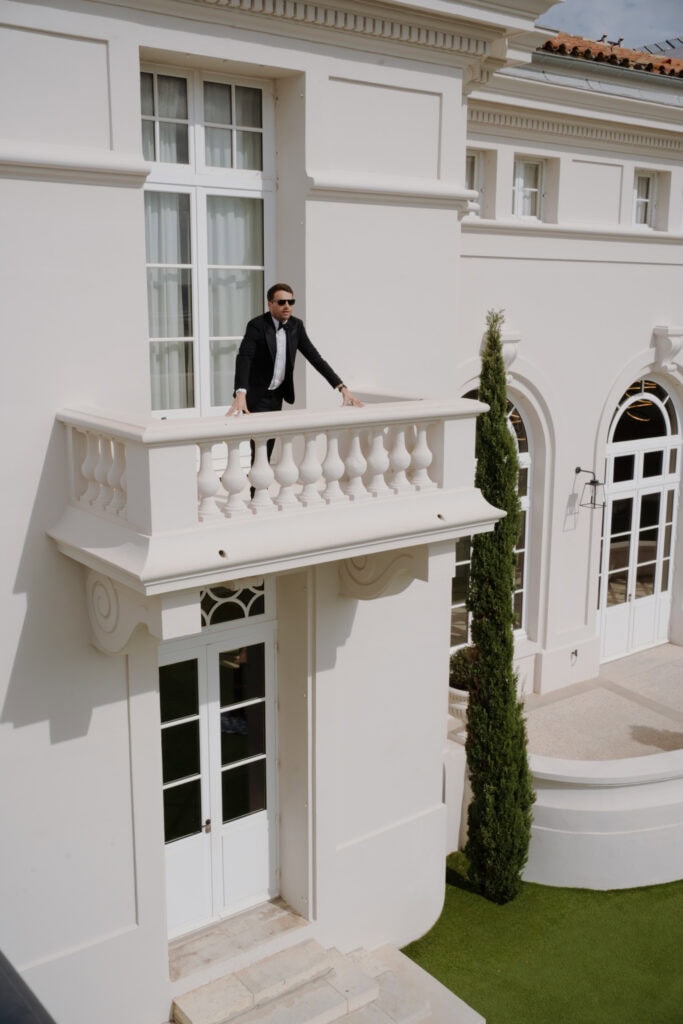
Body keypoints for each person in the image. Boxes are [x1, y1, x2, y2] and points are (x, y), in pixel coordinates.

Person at [226, 283, 362, 417]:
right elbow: (245, 357)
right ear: (270, 304)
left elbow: (315, 358)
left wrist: (341, 387)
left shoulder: (296, 325)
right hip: (257, 393)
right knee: (260, 437)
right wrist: (240, 392)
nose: (287, 306)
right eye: (281, 302)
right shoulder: (257, 325)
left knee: (271, 436)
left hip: (277, 394)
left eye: (290, 302)